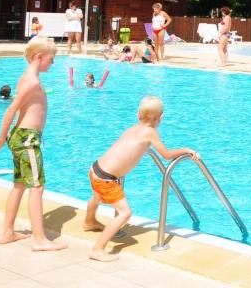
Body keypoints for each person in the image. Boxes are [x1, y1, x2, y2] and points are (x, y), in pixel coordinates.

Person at [83, 96, 198, 261]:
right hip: (107, 179)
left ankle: (90, 221)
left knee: (97, 196)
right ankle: (97, 249)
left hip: (96, 169)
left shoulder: (134, 128)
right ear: (161, 117)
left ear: (138, 115)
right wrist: (186, 149)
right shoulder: (151, 133)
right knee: (125, 213)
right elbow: (166, 155)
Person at [0, 37, 67, 251]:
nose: (53, 63)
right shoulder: (32, 81)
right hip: (27, 139)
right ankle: (39, 240)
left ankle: (7, 232)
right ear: (39, 57)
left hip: (22, 137)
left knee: (20, 184)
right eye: (52, 59)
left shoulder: (27, 77)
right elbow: (11, 109)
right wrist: (0, 138)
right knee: (37, 187)